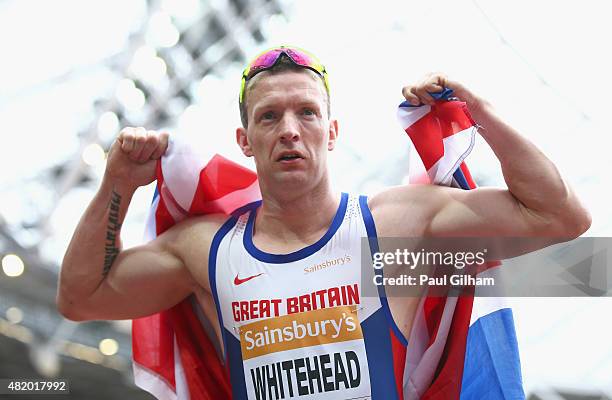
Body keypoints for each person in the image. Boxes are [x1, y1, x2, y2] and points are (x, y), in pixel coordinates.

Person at [57, 46, 591, 398]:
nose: (290, 130)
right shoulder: (209, 250)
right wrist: (118, 185)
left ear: (331, 131)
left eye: (306, 113)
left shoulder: (388, 233)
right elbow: (82, 298)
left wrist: (478, 109)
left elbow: (559, 217)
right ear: (245, 141)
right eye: (269, 116)